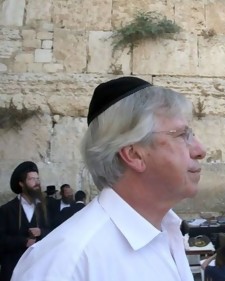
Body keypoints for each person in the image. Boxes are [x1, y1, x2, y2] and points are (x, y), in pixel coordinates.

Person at [12, 76, 207, 280]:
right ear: (133, 154)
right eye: (182, 135)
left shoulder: (168, 231)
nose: (200, 150)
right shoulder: (65, 264)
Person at [0, 161, 50, 281]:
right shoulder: (6, 209)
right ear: (21, 183)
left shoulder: (46, 208)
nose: (36, 183)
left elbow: (56, 231)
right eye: (32, 179)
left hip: (38, 270)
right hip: (13, 269)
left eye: (37, 179)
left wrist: (41, 232)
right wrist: (23, 242)